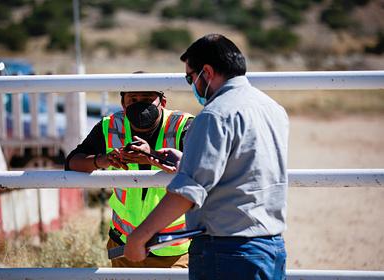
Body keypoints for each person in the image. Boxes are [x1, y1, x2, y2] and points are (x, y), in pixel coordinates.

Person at [123, 34, 289, 280]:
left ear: (207, 72)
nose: (192, 85)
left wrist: (140, 236)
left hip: (227, 252)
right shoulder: (272, 108)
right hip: (271, 247)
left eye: (191, 77)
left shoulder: (214, 115)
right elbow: (247, 169)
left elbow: (188, 192)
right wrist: (187, 162)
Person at [65, 84, 194, 268]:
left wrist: (152, 157)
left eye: (147, 100)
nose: (139, 105)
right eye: (133, 99)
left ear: (163, 102)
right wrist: (103, 160)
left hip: (173, 248)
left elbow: (199, 172)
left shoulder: (183, 126)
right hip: (124, 245)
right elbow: (72, 162)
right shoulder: (110, 126)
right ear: (123, 104)